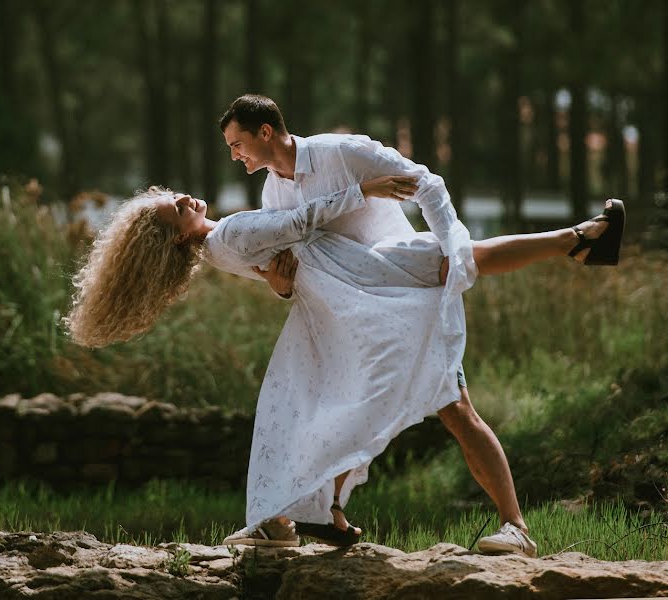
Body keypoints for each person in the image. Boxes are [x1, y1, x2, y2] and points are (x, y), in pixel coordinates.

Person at [63, 176, 624, 557]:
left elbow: (281, 269)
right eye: (179, 208)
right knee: (457, 279)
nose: (189, 199)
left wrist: (281, 285)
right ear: (175, 236)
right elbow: (304, 221)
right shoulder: (228, 235)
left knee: (361, 399)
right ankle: (574, 240)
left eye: (178, 196)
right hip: (366, 293)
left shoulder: (223, 245)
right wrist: (365, 186)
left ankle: (323, 513)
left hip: (353, 298)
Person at [210, 94, 624, 556]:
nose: (234, 155)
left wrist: (452, 250)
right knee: (347, 406)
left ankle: (517, 529)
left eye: (237, 143)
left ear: (265, 132)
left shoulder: (341, 153)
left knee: (456, 411)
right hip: (361, 322)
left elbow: (427, 183)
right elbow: (296, 263)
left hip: (410, 296)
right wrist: (280, 287)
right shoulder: (274, 192)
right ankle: (330, 516)